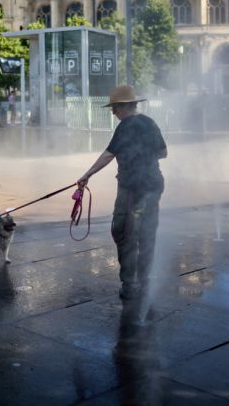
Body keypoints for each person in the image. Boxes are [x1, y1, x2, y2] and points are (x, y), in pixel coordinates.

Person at [77, 85, 167, 300]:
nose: (113, 113)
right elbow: (163, 152)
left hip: (133, 189)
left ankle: (129, 284)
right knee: (146, 233)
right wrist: (144, 155)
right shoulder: (150, 123)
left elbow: (109, 155)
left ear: (123, 106)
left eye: (114, 108)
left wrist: (87, 174)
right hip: (153, 185)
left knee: (123, 232)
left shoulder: (126, 125)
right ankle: (144, 281)